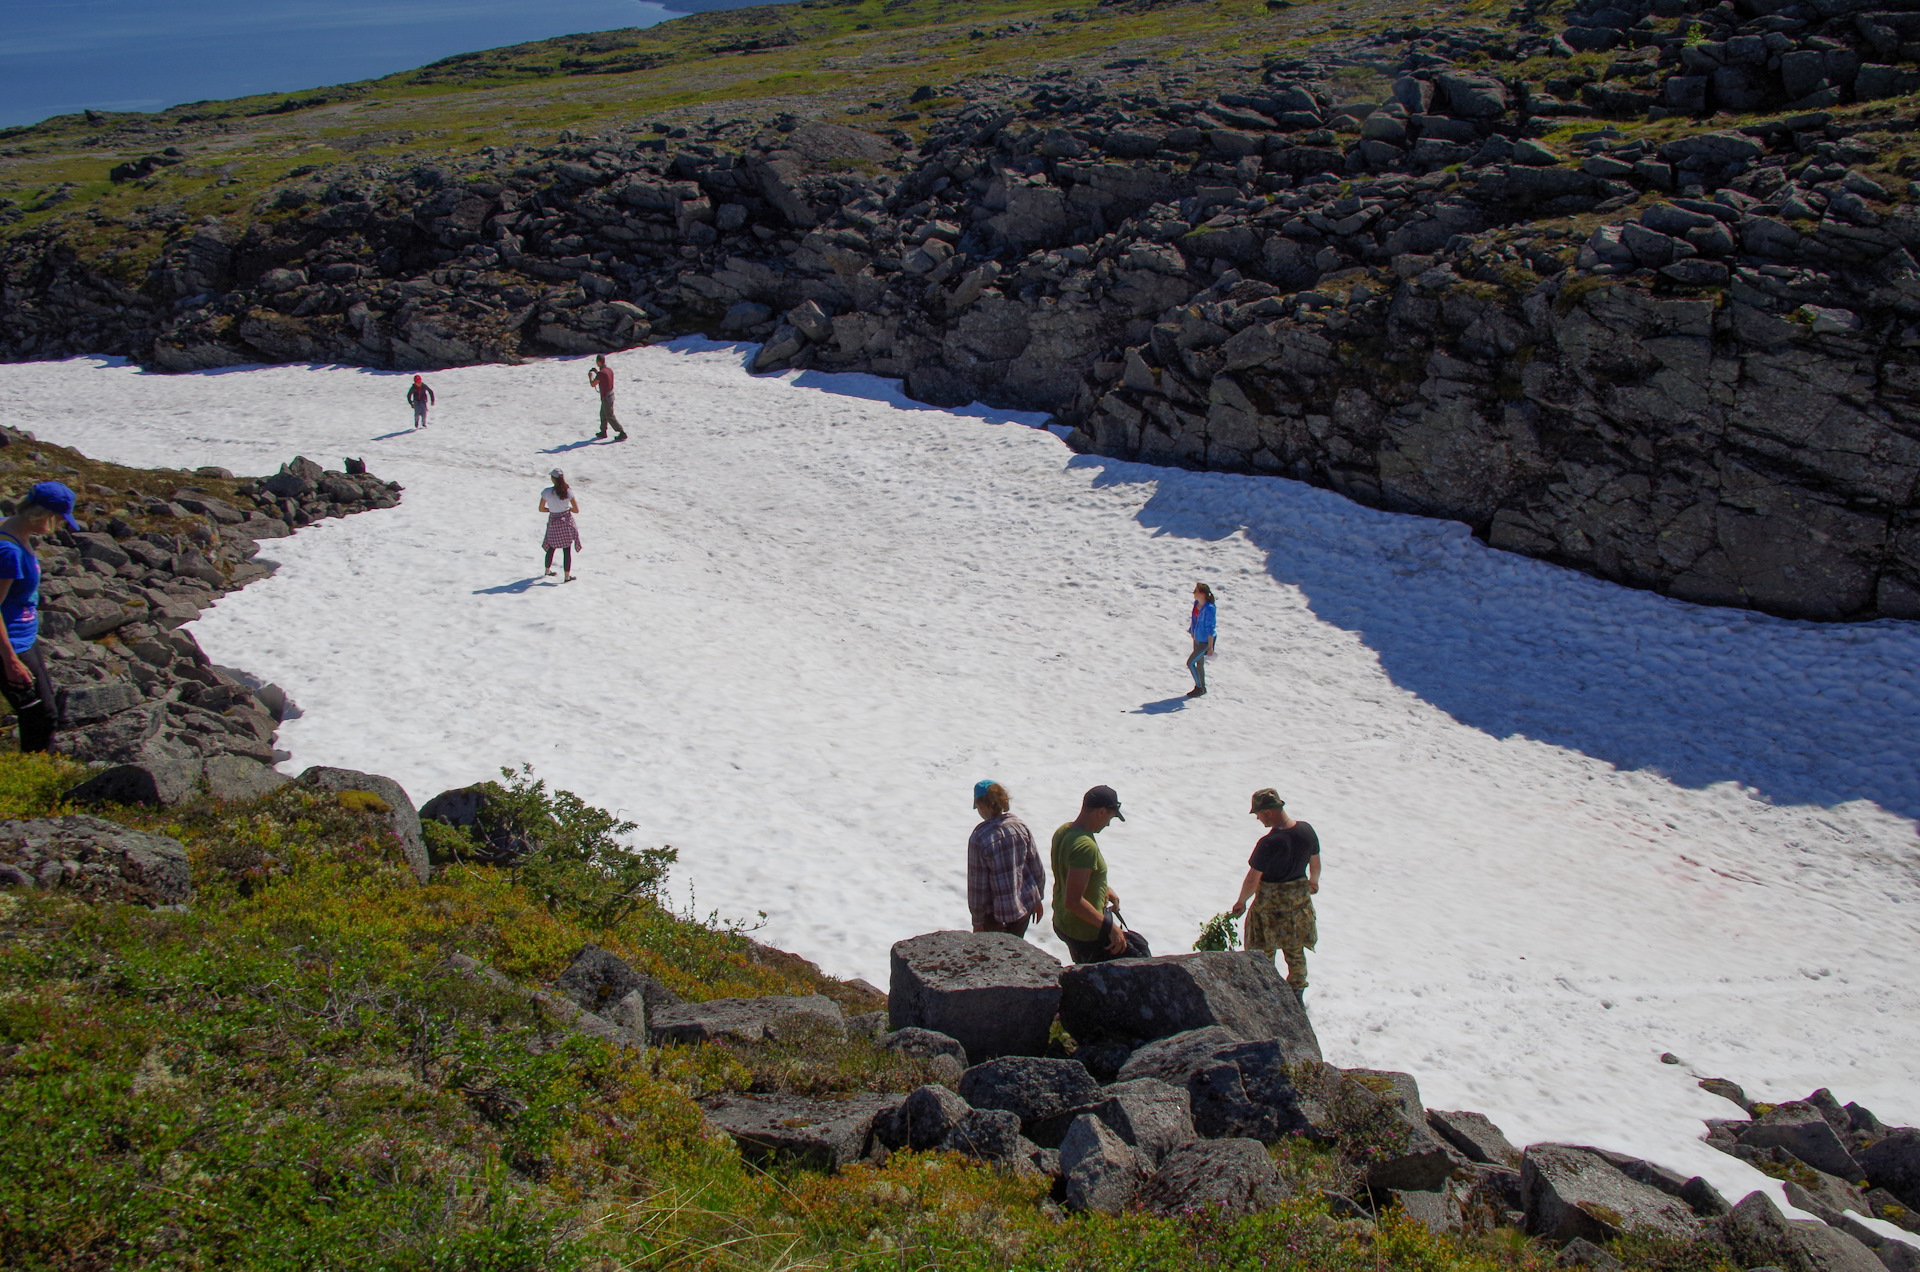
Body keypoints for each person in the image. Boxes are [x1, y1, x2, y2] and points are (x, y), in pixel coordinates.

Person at [0, 482, 77, 753]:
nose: (58, 525)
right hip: (10, 644)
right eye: (57, 518)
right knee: (41, 717)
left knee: (45, 711)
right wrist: (10, 661)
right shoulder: (8, 551)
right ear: (41, 514)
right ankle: (32, 780)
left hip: (24, 637)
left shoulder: (10, 529)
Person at [1228, 789, 1320, 996]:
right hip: (1298, 905)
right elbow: (1315, 862)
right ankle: (1297, 994)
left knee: (1262, 953)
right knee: (1295, 951)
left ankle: (1265, 995)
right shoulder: (1307, 830)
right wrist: (1313, 882)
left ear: (1268, 812)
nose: (1258, 819)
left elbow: (1253, 879)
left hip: (1269, 910)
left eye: (1258, 814)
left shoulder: (1269, 843)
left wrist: (1241, 902)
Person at [1051, 785, 1133, 963]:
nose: (1108, 824)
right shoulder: (1085, 846)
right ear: (1101, 812)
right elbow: (1073, 901)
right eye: (1110, 818)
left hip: (1063, 921)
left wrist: (1105, 889)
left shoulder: (1064, 830)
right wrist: (1110, 928)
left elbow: (1068, 875)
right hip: (1085, 932)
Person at [968, 781, 1045, 937]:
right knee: (1017, 946)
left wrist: (977, 921)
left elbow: (978, 886)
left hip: (994, 915)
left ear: (982, 806)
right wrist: (1038, 898)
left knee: (995, 955)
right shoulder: (1020, 826)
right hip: (1024, 905)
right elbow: (1036, 866)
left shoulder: (979, 838)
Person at [538, 468, 581, 581]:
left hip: (553, 522)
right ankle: (567, 576)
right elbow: (576, 510)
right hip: (566, 522)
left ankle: (547, 571)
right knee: (567, 550)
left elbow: (541, 509)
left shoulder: (546, 492)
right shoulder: (568, 492)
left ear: (553, 479)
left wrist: (552, 510)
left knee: (551, 547)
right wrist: (566, 509)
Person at [586, 355, 628, 441]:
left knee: (609, 415)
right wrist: (597, 373)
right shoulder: (609, 370)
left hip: (606, 397)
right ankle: (603, 431)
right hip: (611, 395)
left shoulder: (601, 373)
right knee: (603, 413)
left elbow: (593, 384)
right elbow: (604, 377)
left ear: (599, 362)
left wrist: (590, 377)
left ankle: (621, 432)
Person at [1186, 582, 1216, 698]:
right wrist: (1192, 631)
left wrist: (1210, 646)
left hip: (1204, 642)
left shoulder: (1209, 609)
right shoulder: (1196, 604)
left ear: (1202, 594)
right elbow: (1194, 619)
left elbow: (1210, 628)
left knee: (1190, 663)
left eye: (1196, 591)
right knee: (1199, 664)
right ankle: (1202, 687)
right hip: (1197, 638)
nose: (1194, 593)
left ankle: (1199, 687)